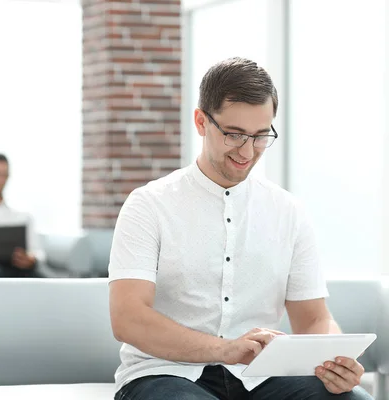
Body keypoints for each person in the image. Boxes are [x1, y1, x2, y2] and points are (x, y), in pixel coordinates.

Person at [108, 58, 373, 400]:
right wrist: (224, 349)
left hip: (261, 377)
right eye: (234, 135)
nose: (248, 151)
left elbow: (314, 320)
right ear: (201, 121)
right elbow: (128, 319)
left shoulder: (288, 211)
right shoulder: (148, 205)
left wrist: (335, 363)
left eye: (261, 136)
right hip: (163, 374)